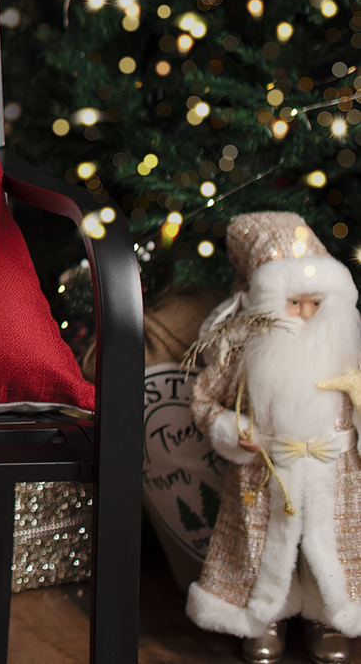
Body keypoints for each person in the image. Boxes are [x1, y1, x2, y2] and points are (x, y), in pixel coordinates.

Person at [187, 211, 361, 662]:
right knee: (265, 547)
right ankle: (263, 614)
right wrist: (232, 429)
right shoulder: (244, 348)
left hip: (335, 471)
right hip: (264, 473)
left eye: (315, 303)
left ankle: (329, 616)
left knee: (328, 546)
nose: (305, 315)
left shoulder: (345, 348)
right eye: (293, 303)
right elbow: (205, 401)